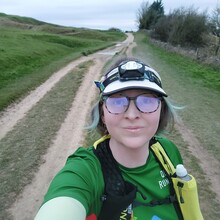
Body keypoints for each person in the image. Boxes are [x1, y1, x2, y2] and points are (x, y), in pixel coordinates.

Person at [35, 58, 193, 220]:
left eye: (147, 101)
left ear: (162, 110)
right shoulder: (86, 170)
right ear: (103, 114)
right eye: (117, 102)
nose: (132, 115)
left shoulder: (168, 151)